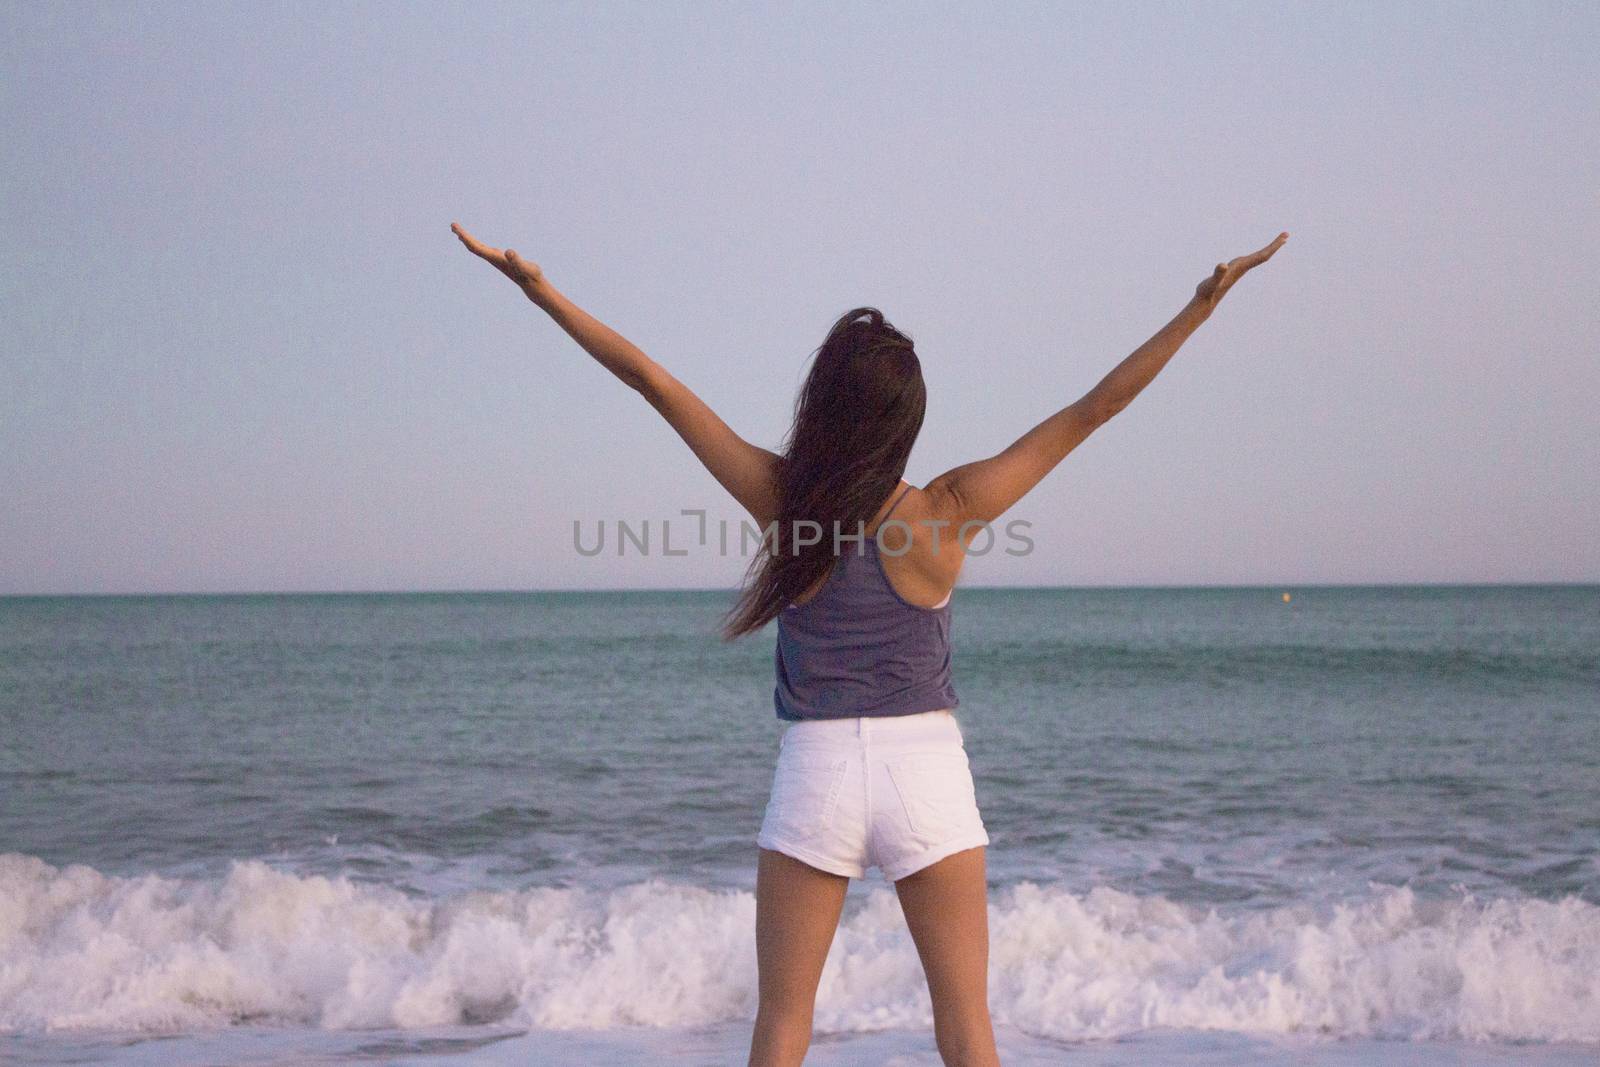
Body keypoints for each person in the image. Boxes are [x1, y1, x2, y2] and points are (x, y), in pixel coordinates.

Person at [450, 221, 1288, 1066]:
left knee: (782, 1024)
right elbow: (1094, 410)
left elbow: (653, 384)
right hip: (926, 769)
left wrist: (543, 293)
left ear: (825, 403)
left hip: (816, 772)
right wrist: (1197, 309)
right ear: (905, 421)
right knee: (965, 1027)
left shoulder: (783, 499)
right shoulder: (948, 508)